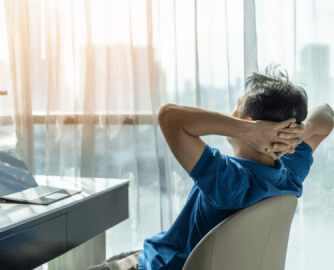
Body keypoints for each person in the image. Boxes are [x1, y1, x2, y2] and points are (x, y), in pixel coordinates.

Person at [86, 65, 334, 270]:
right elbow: (326, 114)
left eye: (237, 107)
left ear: (249, 122)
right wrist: (297, 135)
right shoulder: (288, 173)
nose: (231, 113)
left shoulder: (229, 180)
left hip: (163, 264)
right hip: (166, 251)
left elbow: (169, 117)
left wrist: (250, 130)